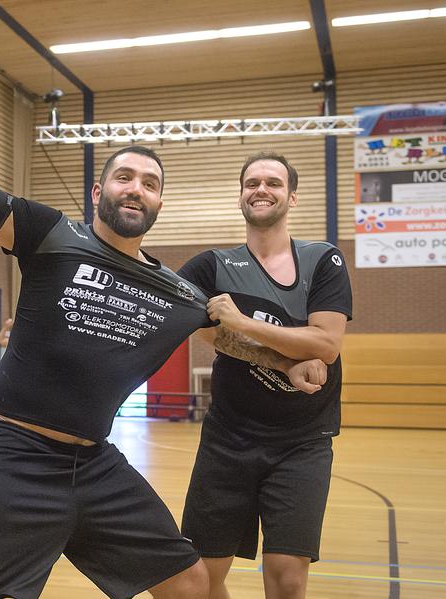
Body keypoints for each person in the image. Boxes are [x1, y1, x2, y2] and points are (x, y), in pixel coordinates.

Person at [0, 32, 324, 599]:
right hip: (14, 460)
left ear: (158, 205)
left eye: (150, 184)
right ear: (99, 189)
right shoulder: (48, 234)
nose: (136, 189)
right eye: (125, 177)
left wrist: (285, 362)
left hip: (95, 466)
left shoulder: (175, 291)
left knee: (192, 583)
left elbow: (227, 337)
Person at [178, 153, 351, 599]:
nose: (261, 189)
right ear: (240, 195)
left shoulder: (323, 260)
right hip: (228, 439)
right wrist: (285, 359)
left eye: (273, 182)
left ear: (291, 197)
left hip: (303, 442)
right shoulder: (211, 266)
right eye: (251, 182)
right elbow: (199, 328)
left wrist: (242, 322)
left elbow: (326, 344)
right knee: (201, 578)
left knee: (288, 579)